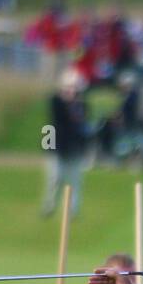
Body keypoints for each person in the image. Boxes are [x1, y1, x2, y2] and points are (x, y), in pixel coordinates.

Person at [41, 67, 90, 219]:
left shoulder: (81, 106)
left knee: (75, 181)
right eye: (69, 88)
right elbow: (52, 124)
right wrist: (48, 148)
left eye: (75, 88)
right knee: (55, 179)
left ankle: (73, 210)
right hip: (58, 148)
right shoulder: (56, 103)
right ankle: (49, 206)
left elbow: (82, 127)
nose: (72, 91)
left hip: (74, 149)